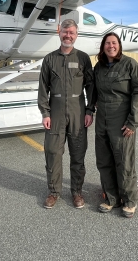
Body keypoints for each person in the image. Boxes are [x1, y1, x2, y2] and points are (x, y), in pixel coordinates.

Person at [37, 19, 95, 209]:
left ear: (76, 35)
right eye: (65, 32)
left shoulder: (83, 58)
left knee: (78, 154)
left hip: (78, 111)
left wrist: (89, 110)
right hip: (56, 111)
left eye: (71, 32)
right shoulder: (49, 59)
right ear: (58, 32)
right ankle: (54, 192)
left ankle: (77, 192)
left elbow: (90, 86)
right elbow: (43, 88)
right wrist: (45, 113)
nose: (68, 35)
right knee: (53, 153)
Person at [93, 32, 138, 218]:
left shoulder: (130, 64)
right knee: (104, 161)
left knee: (124, 161)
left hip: (121, 120)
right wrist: (89, 110)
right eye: (107, 43)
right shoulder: (98, 67)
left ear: (119, 45)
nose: (111, 46)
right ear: (103, 46)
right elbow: (93, 92)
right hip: (102, 120)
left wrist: (132, 122)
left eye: (114, 43)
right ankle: (112, 198)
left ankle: (129, 200)